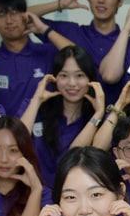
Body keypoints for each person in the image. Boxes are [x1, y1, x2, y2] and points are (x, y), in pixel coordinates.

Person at [28, 0, 127, 103]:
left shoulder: (127, 43)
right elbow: (24, 18)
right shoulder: (71, 31)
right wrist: (61, 4)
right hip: (75, 119)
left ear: (120, 1)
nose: (101, 0)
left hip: (116, 120)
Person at [17, 45, 104, 190]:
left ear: (91, 80)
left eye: (79, 75)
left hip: (76, 196)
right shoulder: (34, 106)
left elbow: (73, 159)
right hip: (32, 194)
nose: (72, 83)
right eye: (64, 76)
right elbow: (17, 142)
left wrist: (98, 114)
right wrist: (37, 100)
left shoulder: (97, 117)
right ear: (54, 78)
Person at [0, 0, 72, 117]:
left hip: (49, 134)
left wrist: (44, 29)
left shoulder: (48, 52)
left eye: (14, 13)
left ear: (26, 16)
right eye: (1, 14)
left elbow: (79, 56)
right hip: (7, 135)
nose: (9, 20)